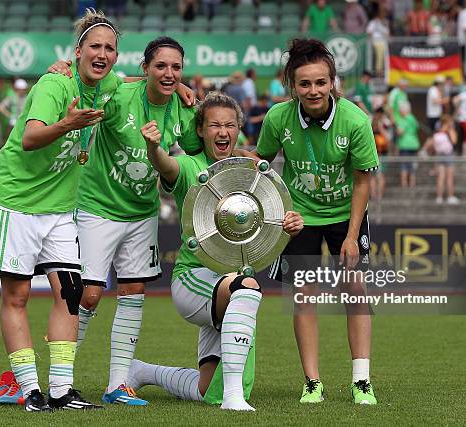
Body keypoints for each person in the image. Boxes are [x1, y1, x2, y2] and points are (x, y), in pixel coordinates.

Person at [0, 9, 121, 412]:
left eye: (110, 48)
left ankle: (61, 389)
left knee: (71, 293)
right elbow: (29, 138)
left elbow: (133, 83)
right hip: (16, 201)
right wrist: (67, 124)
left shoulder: (109, 83)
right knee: (18, 294)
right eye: (94, 46)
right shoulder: (54, 84)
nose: (102, 53)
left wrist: (176, 86)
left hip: (59, 208)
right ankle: (29, 391)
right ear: (77, 52)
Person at [131, 92, 303, 411]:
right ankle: (234, 398)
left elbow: (269, 221)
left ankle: (142, 371)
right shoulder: (190, 166)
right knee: (247, 287)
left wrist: (288, 224)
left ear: (238, 129)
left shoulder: (250, 174)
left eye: (229, 125)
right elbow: (166, 166)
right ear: (201, 130)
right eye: (214, 125)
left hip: (224, 286)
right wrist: (154, 148)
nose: (222, 131)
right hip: (193, 280)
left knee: (207, 389)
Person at [72, 36, 202, 407]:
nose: (169, 73)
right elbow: (89, 86)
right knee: (90, 294)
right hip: (98, 207)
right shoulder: (122, 97)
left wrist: (187, 92)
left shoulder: (183, 109)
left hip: (142, 212)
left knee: (133, 293)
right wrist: (63, 68)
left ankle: (118, 385)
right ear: (145, 68)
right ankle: (61, 378)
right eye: (161, 66)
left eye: (176, 67)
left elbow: (201, 149)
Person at [255, 38, 379, 405]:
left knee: (355, 290)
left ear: (332, 82)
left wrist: (352, 236)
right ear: (292, 85)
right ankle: (312, 382)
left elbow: (362, 180)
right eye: (304, 83)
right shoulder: (278, 118)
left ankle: (361, 381)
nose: (313, 90)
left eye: (321, 82)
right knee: (303, 297)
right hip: (300, 217)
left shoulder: (355, 120)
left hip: (346, 215)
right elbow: (259, 163)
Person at [430, 115, 459, 204]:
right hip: (447, 154)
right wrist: (450, 130)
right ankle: (450, 196)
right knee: (449, 177)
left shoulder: (437, 132)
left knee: (441, 177)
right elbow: (454, 141)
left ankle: (439, 197)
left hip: (439, 154)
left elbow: (432, 144)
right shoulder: (449, 130)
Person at [395, 101, 420, 187]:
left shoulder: (404, 119)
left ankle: (404, 186)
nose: (399, 112)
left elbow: (400, 132)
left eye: (400, 110)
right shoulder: (413, 118)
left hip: (405, 145)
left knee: (404, 166)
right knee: (413, 167)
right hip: (414, 144)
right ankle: (412, 185)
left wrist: (397, 129)